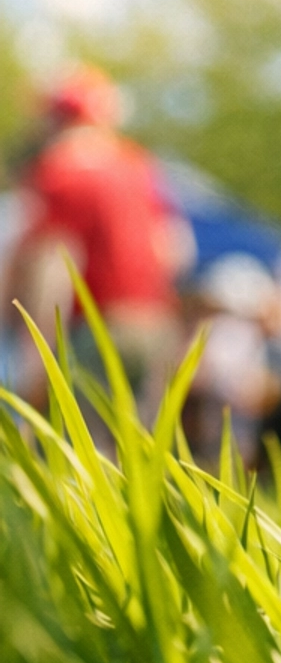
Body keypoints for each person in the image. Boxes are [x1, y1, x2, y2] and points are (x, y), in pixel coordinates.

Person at [0, 67, 183, 421]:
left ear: (55, 120)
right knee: (139, 453)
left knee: (83, 456)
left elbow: (53, 266)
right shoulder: (138, 165)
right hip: (156, 325)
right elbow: (174, 250)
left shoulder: (58, 170)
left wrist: (36, 353)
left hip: (97, 328)